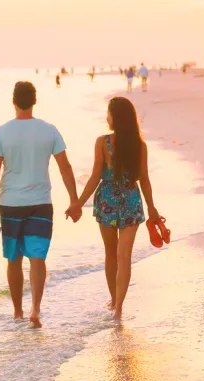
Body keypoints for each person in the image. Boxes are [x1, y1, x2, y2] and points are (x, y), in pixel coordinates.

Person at [0, 81, 81, 328]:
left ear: (13, 101)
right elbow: (65, 166)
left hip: (11, 203)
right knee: (37, 256)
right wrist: (74, 200)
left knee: (14, 259)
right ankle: (35, 308)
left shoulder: (2, 132)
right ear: (35, 101)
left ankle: (17, 312)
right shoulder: (49, 130)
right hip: (40, 203)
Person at [68, 97, 160, 321]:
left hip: (107, 201)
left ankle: (114, 300)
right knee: (124, 256)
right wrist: (152, 208)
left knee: (111, 254)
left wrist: (78, 203)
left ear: (116, 117)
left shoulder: (102, 142)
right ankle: (119, 307)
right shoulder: (140, 144)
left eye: (108, 113)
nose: (106, 117)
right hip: (131, 200)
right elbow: (144, 179)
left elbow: (95, 177)